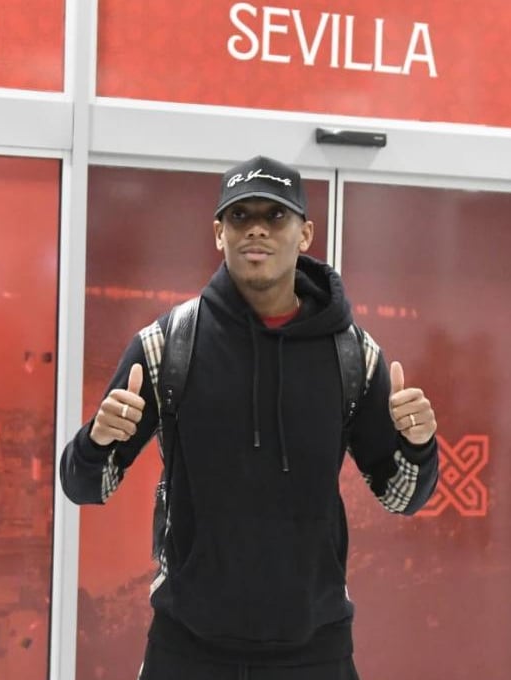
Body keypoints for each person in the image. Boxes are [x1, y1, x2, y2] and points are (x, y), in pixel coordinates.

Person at [61, 156, 441, 679]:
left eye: (275, 216)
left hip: (315, 652)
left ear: (305, 234)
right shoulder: (169, 343)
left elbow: (403, 497)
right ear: (219, 233)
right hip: (188, 650)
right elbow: (84, 486)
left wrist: (419, 445)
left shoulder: (351, 353)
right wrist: (98, 442)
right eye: (240, 216)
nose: (256, 229)